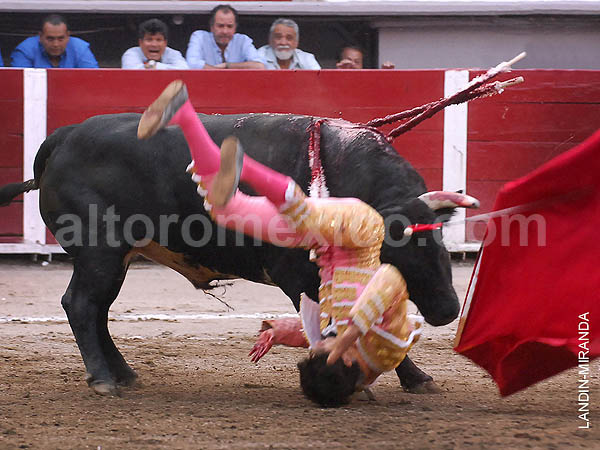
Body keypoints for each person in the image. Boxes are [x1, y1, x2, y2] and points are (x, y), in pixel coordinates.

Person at [137, 80, 423, 407]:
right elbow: (391, 280)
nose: (322, 343)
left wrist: (279, 333)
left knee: (227, 211)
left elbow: (314, 335)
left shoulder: (336, 348)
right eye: (325, 350)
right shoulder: (385, 352)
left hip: (322, 245)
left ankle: (184, 114)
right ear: (345, 359)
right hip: (359, 233)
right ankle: (245, 165)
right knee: (304, 218)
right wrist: (348, 337)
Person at [185, 4, 264, 69]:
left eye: (229, 26)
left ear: (235, 28)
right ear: (212, 27)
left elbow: (259, 66)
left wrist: (227, 65)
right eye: (220, 26)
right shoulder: (199, 37)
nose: (225, 31)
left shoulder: (243, 40)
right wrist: (219, 72)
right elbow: (192, 64)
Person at [10, 14, 98, 68]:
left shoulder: (81, 49)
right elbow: (20, 84)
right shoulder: (25, 50)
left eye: (61, 39)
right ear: (40, 36)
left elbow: (93, 80)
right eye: (50, 39)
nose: (55, 44)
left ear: (68, 36)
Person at [122, 19, 188, 70]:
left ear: (165, 43)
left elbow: (185, 70)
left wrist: (154, 66)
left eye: (159, 40)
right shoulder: (131, 54)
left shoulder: (174, 54)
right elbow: (131, 72)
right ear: (140, 42)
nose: (154, 44)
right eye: (149, 40)